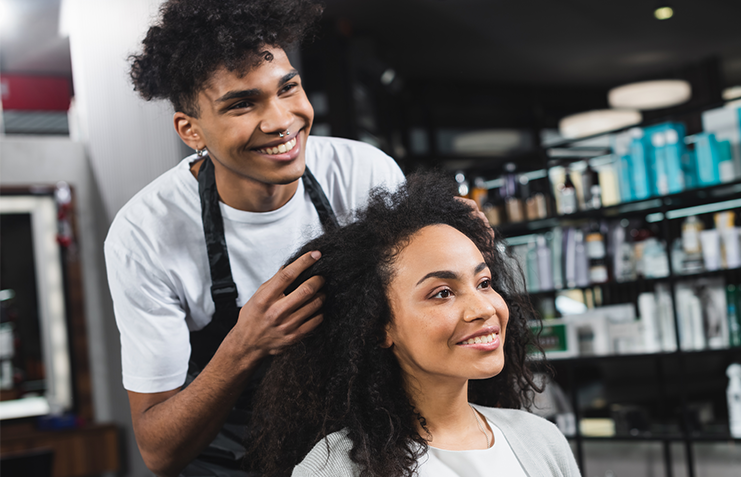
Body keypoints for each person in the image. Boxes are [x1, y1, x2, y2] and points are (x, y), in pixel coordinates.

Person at [103, 1, 406, 475]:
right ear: (191, 130)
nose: (281, 120)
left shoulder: (364, 174)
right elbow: (158, 450)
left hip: (357, 451)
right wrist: (244, 346)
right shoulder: (145, 234)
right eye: (242, 104)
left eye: (288, 89)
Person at [247, 173, 581, 477]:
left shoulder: (541, 441)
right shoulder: (335, 468)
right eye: (443, 293)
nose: (483, 308)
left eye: (483, 283)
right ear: (378, 327)